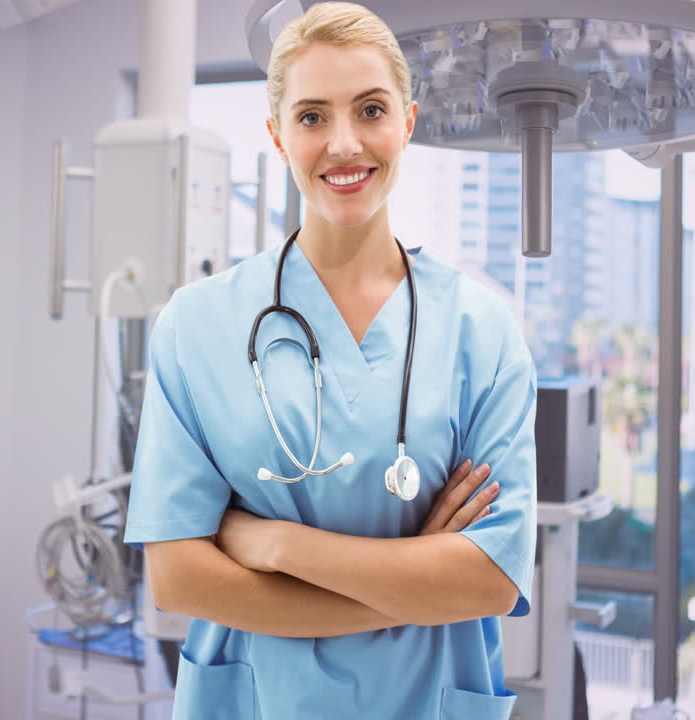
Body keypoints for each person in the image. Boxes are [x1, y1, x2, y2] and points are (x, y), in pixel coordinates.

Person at [123, 3, 538, 718]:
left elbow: (488, 582)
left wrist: (277, 544)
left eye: (370, 110)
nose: (344, 144)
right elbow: (180, 579)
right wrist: (409, 588)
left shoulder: (482, 330)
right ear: (278, 135)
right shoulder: (196, 328)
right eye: (312, 116)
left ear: (407, 121)